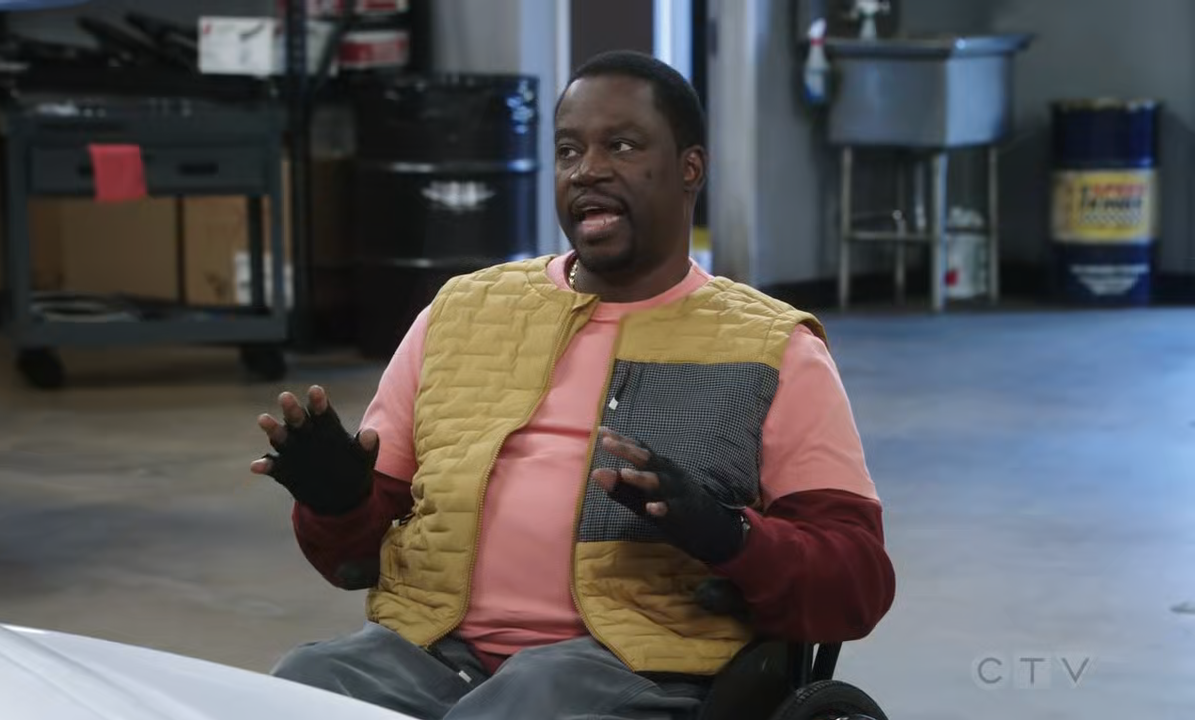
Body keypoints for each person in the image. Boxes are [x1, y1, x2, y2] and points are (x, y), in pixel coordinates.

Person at [251, 50, 895, 720]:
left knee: (533, 695)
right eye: (568, 150)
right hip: (433, 654)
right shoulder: (460, 313)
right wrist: (337, 505)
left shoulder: (773, 348)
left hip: (636, 669)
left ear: (690, 168)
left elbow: (857, 582)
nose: (587, 169)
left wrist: (730, 535)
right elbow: (354, 559)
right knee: (296, 688)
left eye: (622, 145)